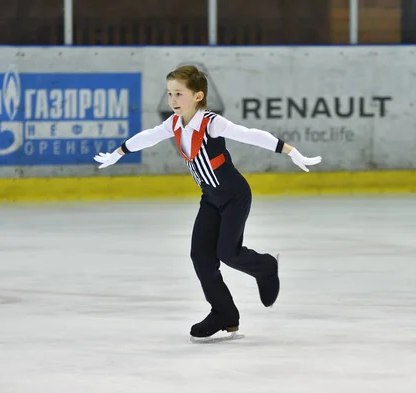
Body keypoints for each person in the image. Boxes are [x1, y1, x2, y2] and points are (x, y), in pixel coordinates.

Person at [94, 65, 322, 341]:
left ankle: (265, 267)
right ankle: (224, 313)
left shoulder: (211, 123)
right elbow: (149, 135)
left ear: (198, 96)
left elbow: (251, 134)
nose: (173, 100)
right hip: (210, 198)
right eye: (169, 94)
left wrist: (291, 152)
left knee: (228, 252)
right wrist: (119, 152)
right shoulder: (174, 124)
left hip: (234, 195)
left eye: (179, 93)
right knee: (201, 257)